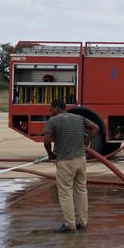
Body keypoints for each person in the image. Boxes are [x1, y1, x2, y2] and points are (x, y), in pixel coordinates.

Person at [44, 99, 100, 233]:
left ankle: (70, 224)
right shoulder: (79, 118)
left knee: (65, 192)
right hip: (81, 160)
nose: (50, 112)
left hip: (65, 161)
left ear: (57, 108)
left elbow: (46, 141)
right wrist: (85, 143)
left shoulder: (53, 121)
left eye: (51, 109)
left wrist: (50, 154)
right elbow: (95, 128)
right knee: (81, 190)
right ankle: (83, 222)